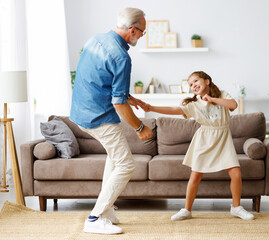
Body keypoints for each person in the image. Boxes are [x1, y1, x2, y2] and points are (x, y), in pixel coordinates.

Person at [70, 8, 152, 235]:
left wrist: (131, 98)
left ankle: (106, 211)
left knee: (115, 159)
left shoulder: (95, 40)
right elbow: (118, 103)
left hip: (80, 112)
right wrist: (140, 127)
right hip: (99, 116)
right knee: (126, 164)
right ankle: (95, 218)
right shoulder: (121, 56)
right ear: (133, 29)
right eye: (142, 33)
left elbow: (99, 80)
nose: (141, 37)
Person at [142, 71, 254, 221]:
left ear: (207, 81)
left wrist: (212, 99)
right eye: (190, 84)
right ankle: (186, 210)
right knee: (195, 176)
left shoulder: (221, 94)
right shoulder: (193, 104)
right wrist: (151, 108)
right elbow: (174, 110)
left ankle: (236, 207)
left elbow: (233, 105)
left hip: (223, 137)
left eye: (196, 81)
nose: (193, 85)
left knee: (236, 173)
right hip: (204, 139)